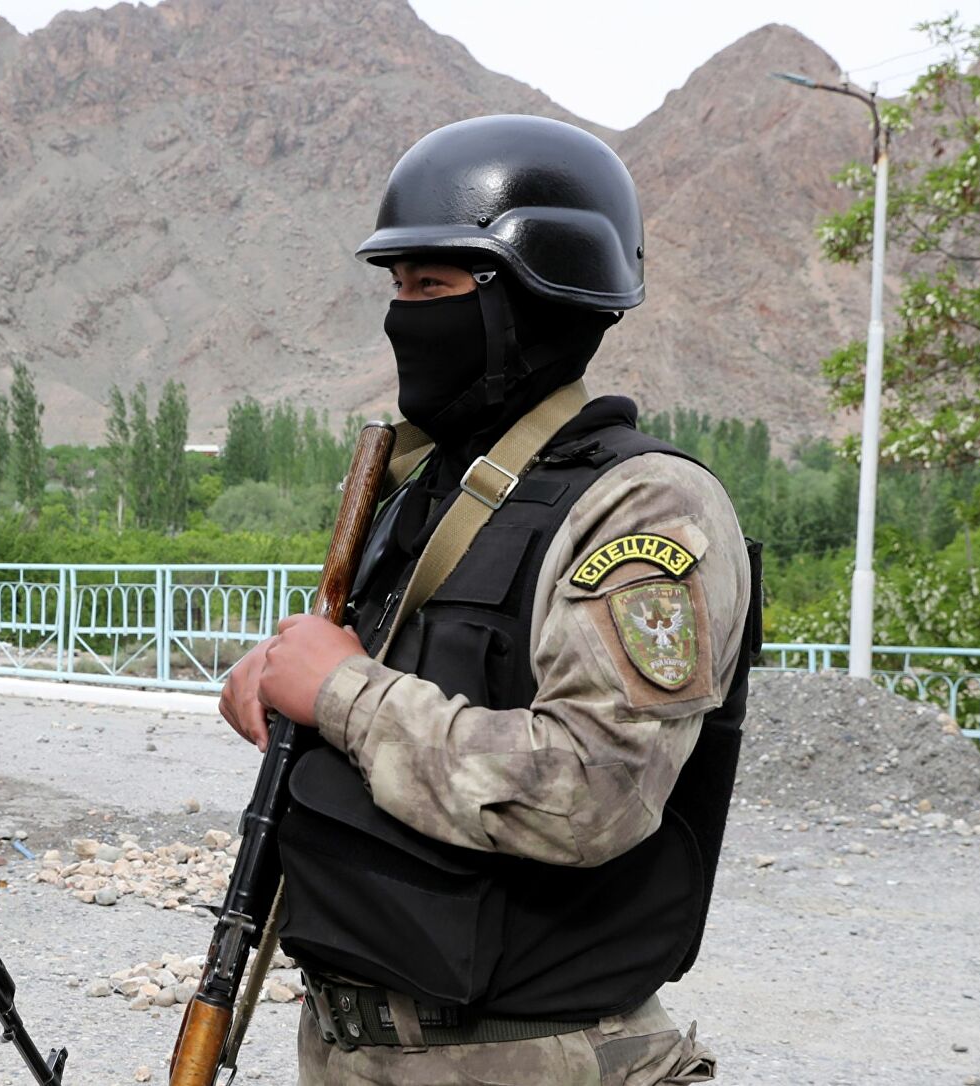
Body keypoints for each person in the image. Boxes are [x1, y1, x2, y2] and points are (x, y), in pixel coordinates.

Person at [217, 115, 759, 1085]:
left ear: (534, 297)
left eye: (432, 287)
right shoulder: (427, 492)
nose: (403, 316)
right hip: (355, 1049)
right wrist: (286, 673)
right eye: (396, 287)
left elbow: (594, 791)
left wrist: (341, 694)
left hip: (532, 1057)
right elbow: (394, 684)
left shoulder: (644, 508)